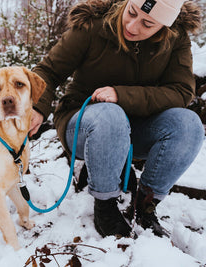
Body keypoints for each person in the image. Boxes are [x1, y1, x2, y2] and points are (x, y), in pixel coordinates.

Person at [29, 0, 204, 238]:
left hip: (137, 127)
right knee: (110, 116)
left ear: (164, 26)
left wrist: (122, 95)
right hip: (83, 124)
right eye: (131, 12)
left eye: (147, 23)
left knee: (188, 125)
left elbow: (181, 91)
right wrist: (36, 107)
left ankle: (144, 205)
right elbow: (48, 71)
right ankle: (106, 205)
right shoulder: (92, 26)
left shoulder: (176, 38)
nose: (132, 26)